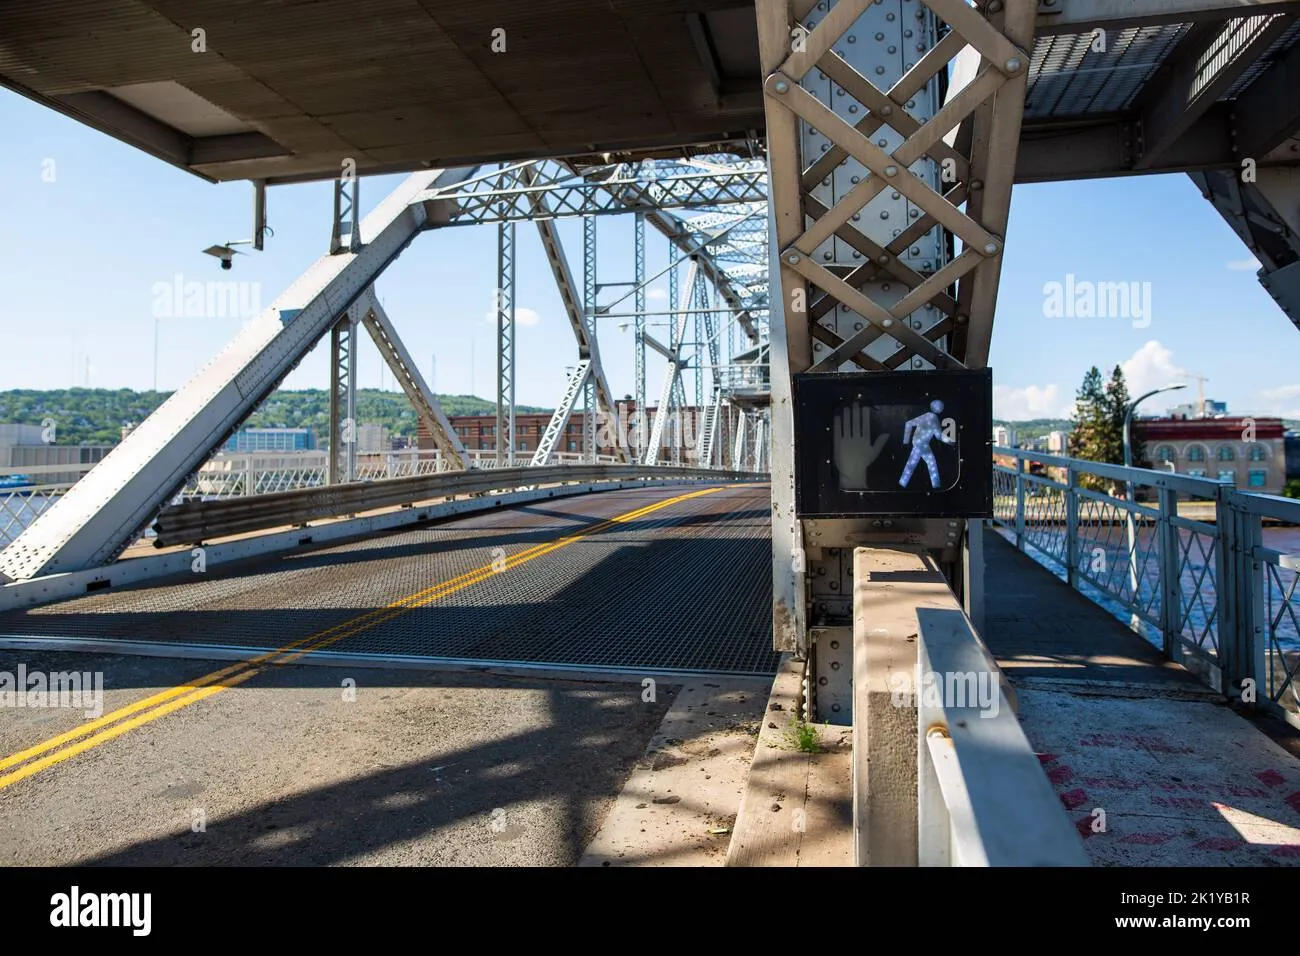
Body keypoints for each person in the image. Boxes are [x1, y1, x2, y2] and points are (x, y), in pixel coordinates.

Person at [899, 399, 954, 489]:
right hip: (921, 444)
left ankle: (902, 484)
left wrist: (906, 441)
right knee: (931, 463)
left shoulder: (926, 416)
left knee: (912, 464)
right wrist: (951, 442)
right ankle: (936, 487)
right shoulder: (933, 418)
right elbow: (939, 436)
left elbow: (908, 424)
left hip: (918, 442)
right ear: (940, 409)